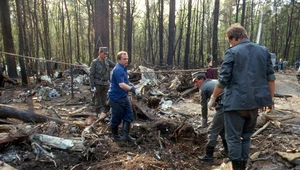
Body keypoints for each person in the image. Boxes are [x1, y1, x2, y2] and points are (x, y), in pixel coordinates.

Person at [208, 23, 275, 169]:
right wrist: (270, 100)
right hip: (255, 103)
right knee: (246, 137)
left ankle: (237, 167)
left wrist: (213, 98)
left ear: (235, 38)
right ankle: (243, 166)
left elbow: (223, 80)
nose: (230, 44)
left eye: (230, 41)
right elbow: (271, 78)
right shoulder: (263, 51)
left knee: (232, 138)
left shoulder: (232, 52)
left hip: (234, 103)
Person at [192, 73, 228, 162]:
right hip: (232, 104)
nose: (195, 84)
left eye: (196, 81)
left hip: (225, 106)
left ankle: (208, 155)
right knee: (222, 130)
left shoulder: (203, 87)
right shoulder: (213, 81)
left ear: (201, 80)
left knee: (212, 130)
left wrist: (204, 122)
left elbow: (203, 106)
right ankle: (228, 151)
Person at [108, 51, 139, 142]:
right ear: (118, 60)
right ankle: (115, 136)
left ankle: (126, 136)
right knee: (117, 117)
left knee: (129, 115)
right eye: (124, 59)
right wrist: (132, 89)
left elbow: (125, 82)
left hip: (123, 97)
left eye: (127, 59)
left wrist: (131, 86)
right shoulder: (118, 69)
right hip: (116, 97)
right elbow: (121, 84)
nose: (126, 60)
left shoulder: (123, 68)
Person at [90, 47, 115, 116]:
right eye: (104, 54)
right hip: (98, 83)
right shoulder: (94, 62)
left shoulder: (107, 61)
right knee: (98, 99)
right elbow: (91, 74)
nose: (105, 55)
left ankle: (104, 112)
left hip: (106, 83)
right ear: (100, 53)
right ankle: (98, 113)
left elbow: (115, 66)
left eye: (106, 54)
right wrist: (92, 86)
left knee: (105, 98)